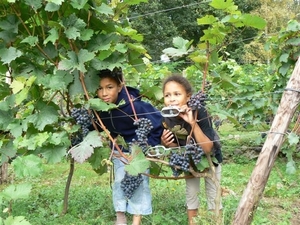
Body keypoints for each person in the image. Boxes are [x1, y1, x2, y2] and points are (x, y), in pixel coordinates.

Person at [92, 68, 163, 225]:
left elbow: (158, 122)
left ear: (119, 87)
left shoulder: (135, 106)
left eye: (109, 87)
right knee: (119, 182)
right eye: (99, 88)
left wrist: (148, 146)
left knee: (140, 183)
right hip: (118, 150)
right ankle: (120, 216)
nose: (104, 93)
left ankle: (136, 220)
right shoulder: (99, 107)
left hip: (139, 151)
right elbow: (94, 124)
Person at [160, 74, 223, 225]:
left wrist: (193, 123)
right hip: (190, 159)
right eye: (167, 95)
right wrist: (168, 145)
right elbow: (179, 147)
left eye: (177, 94)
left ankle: (215, 222)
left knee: (214, 195)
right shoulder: (166, 118)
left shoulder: (199, 112)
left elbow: (208, 148)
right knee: (191, 194)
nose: (172, 99)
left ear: (188, 97)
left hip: (210, 158)